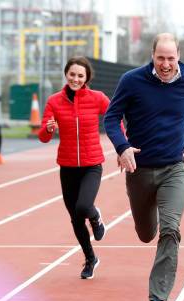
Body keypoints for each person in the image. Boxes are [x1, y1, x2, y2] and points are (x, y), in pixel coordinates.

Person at [104, 33, 184, 301]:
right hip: (139, 171)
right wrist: (122, 148)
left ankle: (156, 298)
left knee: (170, 230)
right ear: (152, 55)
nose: (166, 64)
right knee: (146, 233)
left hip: (173, 169)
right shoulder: (132, 81)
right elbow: (111, 117)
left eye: (171, 58)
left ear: (179, 56)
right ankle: (151, 221)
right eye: (161, 58)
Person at [38, 56, 109, 279]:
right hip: (67, 167)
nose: (75, 79)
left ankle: (95, 216)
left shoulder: (97, 98)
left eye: (80, 75)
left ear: (87, 77)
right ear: (66, 74)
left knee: (83, 207)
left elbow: (115, 116)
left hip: (92, 165)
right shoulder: (54, 101)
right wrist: (49, 129)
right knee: (76, 219)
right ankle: (90, 259)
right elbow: (42, 137)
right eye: (72, 74)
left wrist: (124, 144)